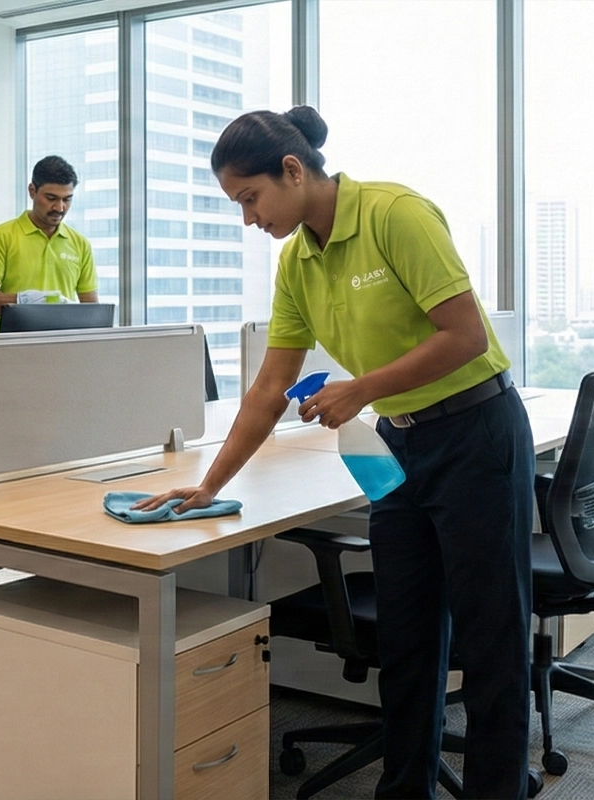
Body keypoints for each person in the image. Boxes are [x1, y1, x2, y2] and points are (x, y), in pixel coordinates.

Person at [136, 106, 530, 799]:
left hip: (476, 434)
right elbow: (268, 386)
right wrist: (208, 483)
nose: (248, 218)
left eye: (250, 198)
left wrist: (362, 388)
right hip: (397, 447)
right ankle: (402, 792)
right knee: (406, 641)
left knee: (489, 638)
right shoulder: (298, 260)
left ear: (292, 170)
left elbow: (465, 335)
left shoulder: (394, 214)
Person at [0, 155, 99, 331]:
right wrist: (24, 301)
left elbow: (92, 312)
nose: (60, 208)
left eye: (67, 199)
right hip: (14, 350)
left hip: (64, 349)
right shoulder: (2, 236)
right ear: (32, 191)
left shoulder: (80, 244)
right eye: (51, 198)